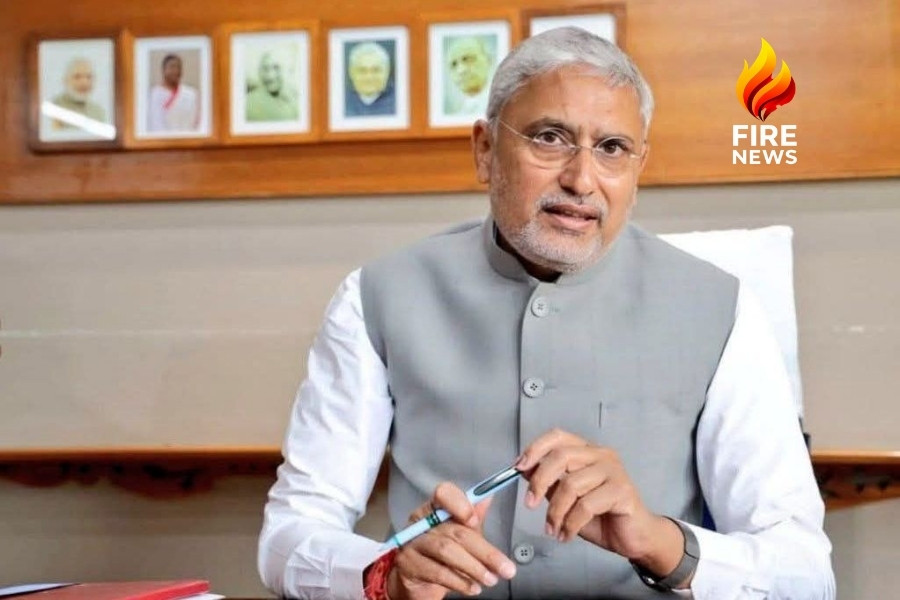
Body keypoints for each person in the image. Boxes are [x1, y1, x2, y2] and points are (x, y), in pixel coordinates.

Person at [259, 26, 835, 600]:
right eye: (550, 138)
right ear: (485, 150)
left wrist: (660, 542)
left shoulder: (722, 310)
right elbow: (289, 535)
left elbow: (805, 575)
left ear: (639, 169)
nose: (581, 180)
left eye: (612, 148)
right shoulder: (375, 297)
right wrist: (385, 575)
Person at [49, 57, 106, 129]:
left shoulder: (99, 112)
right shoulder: (54, 108)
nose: (84, 83)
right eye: (77, 77)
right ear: (65, 81)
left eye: (88, 77)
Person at [148, 54, 199, 132]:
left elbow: (195, 122)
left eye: (179, 67)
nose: (176, 71)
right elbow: (154, 124)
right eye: (172, 67)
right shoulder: (154, 94)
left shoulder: (190, 94)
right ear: (163, 70)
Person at [444, 36, 492, 117]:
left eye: (468, 59)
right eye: (454, 65)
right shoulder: (458, 115)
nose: (461, 70)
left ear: (488, 60)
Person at [245, 51, 299, 122]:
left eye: (277, 68)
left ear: (288, 70)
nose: (270, 75)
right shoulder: (249, 103)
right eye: (265, 69)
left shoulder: (296, 99)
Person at [345, 41, 395, 117]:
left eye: (376, 70)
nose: (369, 77)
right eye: (362, 71)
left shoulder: (401, 100)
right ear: (351, 72)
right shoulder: (339, 101)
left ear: (387, 71)